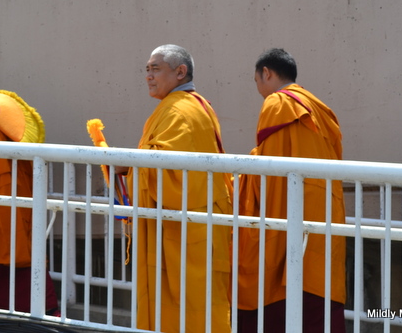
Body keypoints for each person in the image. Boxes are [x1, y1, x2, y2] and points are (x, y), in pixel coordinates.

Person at [235, 48, 346, 332]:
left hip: (287, 211)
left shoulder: (278, 103)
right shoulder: (320, 108)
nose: (258, 88)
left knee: (278, 286)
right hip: (323, 215)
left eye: (257, 80)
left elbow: (269, 170)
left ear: (267, 73)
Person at [124, 44, 232, 333]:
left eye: (155, 68)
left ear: (180, 72)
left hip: (189, 228)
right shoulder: (189, 105)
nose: (148, 75)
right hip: (195, 222)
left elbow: (169, 177)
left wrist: (129, 169)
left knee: (192, 308)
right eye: (146, 69)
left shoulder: (179, 110)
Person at [0, 72, 59, 314]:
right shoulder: (10, 105)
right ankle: (40, 307)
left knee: (2, 246)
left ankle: (2, 308)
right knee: (23, 243)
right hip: (22, 188)